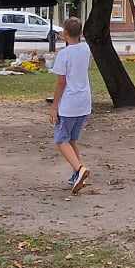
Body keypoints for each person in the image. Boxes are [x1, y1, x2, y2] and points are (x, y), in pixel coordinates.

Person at [48, 14, 93, 193]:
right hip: (84, 102)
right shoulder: (86, 49)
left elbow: (61, 82)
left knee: (61, 139)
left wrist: (54, 106)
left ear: (65, 33)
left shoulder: (64, 54)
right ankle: (78, 173)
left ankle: (80, 169)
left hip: (69, 104)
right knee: (72, 139)